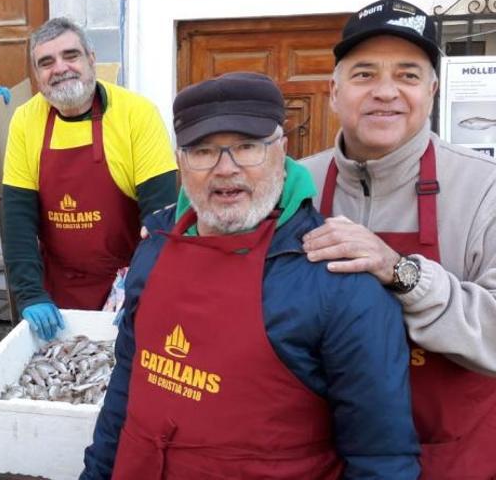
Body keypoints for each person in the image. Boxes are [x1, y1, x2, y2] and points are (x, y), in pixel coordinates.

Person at [81, 72, 420, 479]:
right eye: (203, 151)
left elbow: (380, 459)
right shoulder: (153, 247)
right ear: (180, 161)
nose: (226, 169)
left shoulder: (339, 280)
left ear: (282, 150)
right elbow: (124, 388)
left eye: (247, 147)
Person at [301, 0, 496, 478]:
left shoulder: (485, 187)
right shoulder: (296, 185)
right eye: (364, 74)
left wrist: (401, 272)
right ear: (333, 90)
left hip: (450, 455)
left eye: (407, 75)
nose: (385, 92)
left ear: (431, 92)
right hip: (318, 453)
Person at [2, 17, 177, 339]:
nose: (60, 68)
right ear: (37, 74)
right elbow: (17, 218)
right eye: (46, 62)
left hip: (127, 285)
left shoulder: (137, 114)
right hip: (58, 293)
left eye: (71, 55)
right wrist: (29, 294)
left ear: (91, 59)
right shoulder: (25, 120)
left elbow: (161, 218)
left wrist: (143, 292)